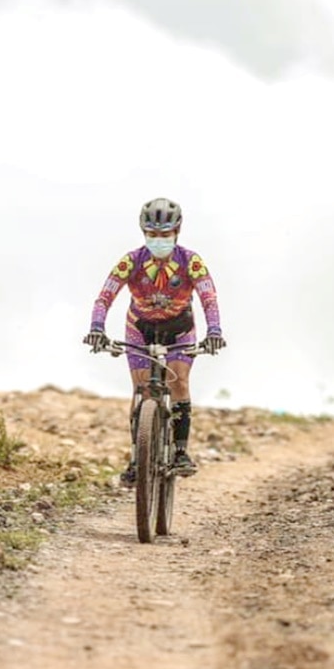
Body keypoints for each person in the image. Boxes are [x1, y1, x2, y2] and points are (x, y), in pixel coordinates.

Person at [83, 197, 226, 485]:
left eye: (164, 235)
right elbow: (104, 296)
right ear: (143, 233)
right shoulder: (131, 261)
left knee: (179, 382)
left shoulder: (191, 261)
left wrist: (214, 332)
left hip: (180, 329)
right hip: (139, 328)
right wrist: (97, 327)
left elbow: (208, 298)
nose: (158, 240)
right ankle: (137, 457)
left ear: (177, 231)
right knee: (142, 389)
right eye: (152, 235)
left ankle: (181, 452)